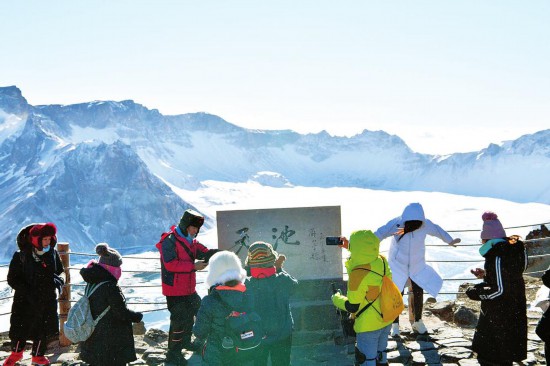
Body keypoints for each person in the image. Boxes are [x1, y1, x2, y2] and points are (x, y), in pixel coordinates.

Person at [374, 202, 460, 335]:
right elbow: (381, 233)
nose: (415, 225)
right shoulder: (397, 224)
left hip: (416, 264)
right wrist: (366, 244)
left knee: (418, 290)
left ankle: (418, 321)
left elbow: (437, 231)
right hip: (398, 265)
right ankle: (395, 324)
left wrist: (450, 240)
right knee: (396, 294)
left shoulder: (425, 224)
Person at [156, 209, 219, 365]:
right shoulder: (169, 241)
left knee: (195, 312)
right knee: (179, 321)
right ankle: (173, 354)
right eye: (193, 227)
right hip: (175, 292)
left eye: (197, 228)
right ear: (185, 225)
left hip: (188, 289)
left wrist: (219, 254)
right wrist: (193, 266)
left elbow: (204, 252)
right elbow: (170, 264)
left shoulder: (190, 241)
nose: (195, 231)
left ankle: (185, 343)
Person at [466, 211, 527, 366]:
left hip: (499, 312)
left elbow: (499, 290)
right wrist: (487, 275)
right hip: (515, 306)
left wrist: (476, 293)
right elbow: (509, 275)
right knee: (507, 353)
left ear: (487, 239)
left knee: (493, 357)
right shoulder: (513, 250)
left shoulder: (497, 255)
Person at [4, 223, 64, 366]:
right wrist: (26, 291)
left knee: (42, 330)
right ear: (35, 239)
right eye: (44, 240)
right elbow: (12, 278)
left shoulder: (52, 254)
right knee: (20, 329)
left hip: (45, 299)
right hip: (25, 301)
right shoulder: (21, 256)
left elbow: (59, 270)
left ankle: (38, 355)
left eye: (49, 239)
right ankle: (16, 354)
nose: (47, 242)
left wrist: (56, 279)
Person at [331, 230, 393, 366]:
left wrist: (336, 299)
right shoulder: (382, 261)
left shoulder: (357, 275)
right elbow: (366, 265)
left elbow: (352, 306)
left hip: (368, 325)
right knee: (381, 356)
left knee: (366, 360)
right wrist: (350, 247)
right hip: (386, 317)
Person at [80, 243, 143, 366]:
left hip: (95, 337)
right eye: (118, 266)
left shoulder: (93, 281)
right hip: (110, 340)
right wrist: (136, 317)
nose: (120, 270)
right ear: (110, 267)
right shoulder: (110, 286)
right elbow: (120, 312)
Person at [192, 250, 255, 365]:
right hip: (244, 350)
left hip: (216, 354)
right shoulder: (249, 294)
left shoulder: (209, 300)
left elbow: (200, 332)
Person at [244, 241, 298, 366]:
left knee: (258, 363)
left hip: (257, 335)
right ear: (272, 261)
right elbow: (295, 288)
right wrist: (279, 268)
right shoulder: (283, 280)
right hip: (282, 334)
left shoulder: (246, 284)